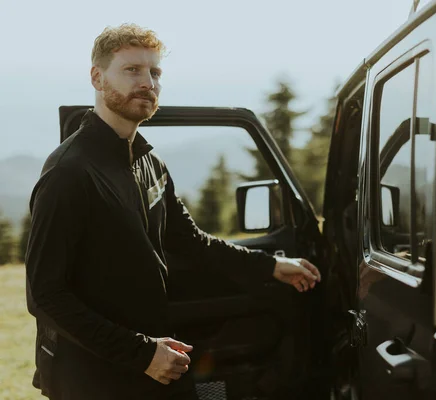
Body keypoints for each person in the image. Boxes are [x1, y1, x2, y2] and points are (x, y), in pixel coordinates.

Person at [25, 23, 321, 400]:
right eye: (132, 70)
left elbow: (190, 242)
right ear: (97, 78)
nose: (148, 82)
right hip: (93, 377)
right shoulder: (69, 172)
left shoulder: (150, 163)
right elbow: (46, 296)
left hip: (151, 363)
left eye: (155, 72)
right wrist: (142, 353)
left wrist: (270, 266)